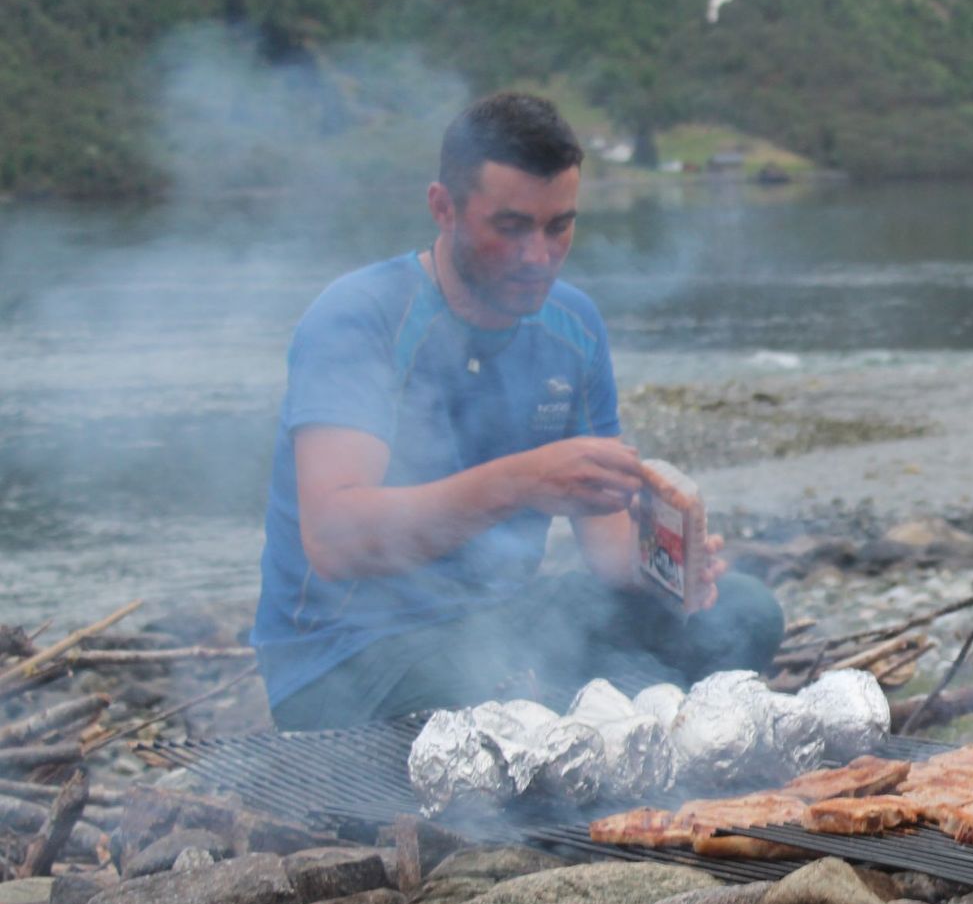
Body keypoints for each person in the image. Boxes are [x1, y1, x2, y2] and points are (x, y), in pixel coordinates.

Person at [252, 93, 784, 729]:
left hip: (504, 623)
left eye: (559, 226)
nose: (539, 255)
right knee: (501, 690)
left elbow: (607, 544)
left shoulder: (573, 325)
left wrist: (666, 568)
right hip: (346, 652)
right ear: (442, 209)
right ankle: (604, 723)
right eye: (511, 227)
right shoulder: (359, 319)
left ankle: (598, 728)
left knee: (747, 613)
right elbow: (335, 540)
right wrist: (524, 483)